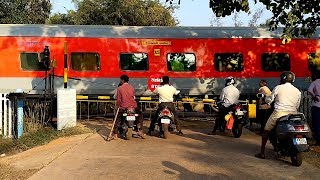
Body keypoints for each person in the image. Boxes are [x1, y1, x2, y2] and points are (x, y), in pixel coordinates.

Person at [255, 71, 301, 159]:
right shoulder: (297, 91)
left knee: (266, 130)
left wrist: (267, 100)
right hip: (293, 114)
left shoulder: (278, 88)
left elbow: (269, 100)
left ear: (282, 79)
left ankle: (262, 153)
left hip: (280, 113)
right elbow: (297, 105)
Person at [112, 75, 144, 139]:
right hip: (133, 106)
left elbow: (118, 100)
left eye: (120, 80)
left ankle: (115, 133)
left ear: (123, 80)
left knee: (117, 118)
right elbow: (133, 97)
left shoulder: (119, 88)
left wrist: (118, 106)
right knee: (140, 115)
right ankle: (140, 130)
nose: (120, 81)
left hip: (124, 106)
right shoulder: (132, 87)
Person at [308, 73, 320, 145]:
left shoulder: (315, 82)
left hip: (317, 105)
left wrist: (314, 96)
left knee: (317, 124)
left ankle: (318, 140)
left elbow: (309, 90)